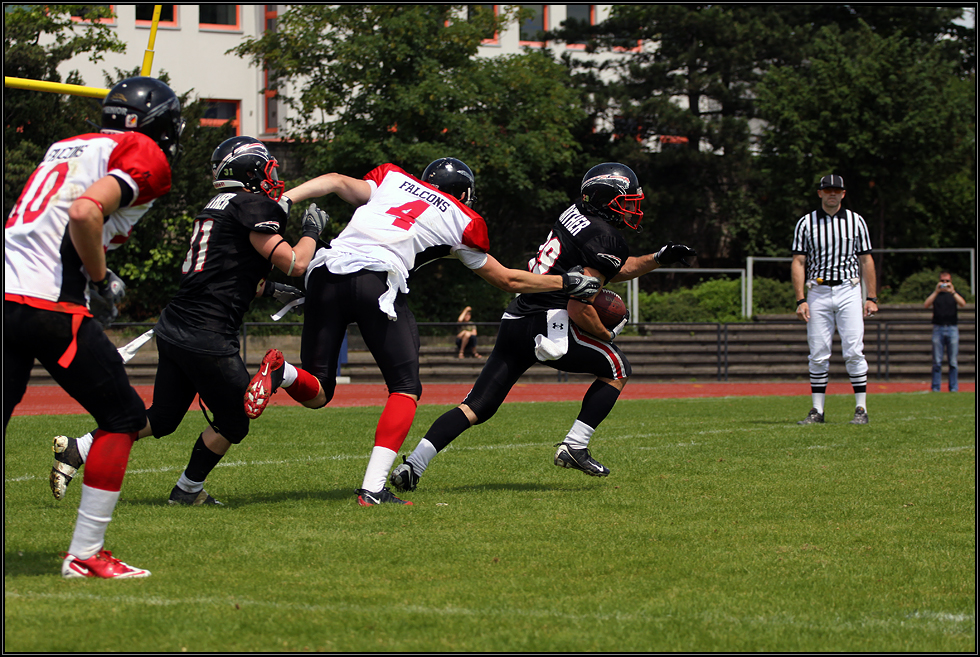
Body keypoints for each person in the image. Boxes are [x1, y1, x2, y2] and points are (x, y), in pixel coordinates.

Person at [241, 157, 602, 505]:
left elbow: (335, 181)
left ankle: (282, 372)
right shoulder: (462, 219)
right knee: (405, 389)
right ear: (462, 193)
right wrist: (564, 282)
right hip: (375, 279)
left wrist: (284, 199)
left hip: (324, 272)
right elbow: (507, 279)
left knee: (318, 391)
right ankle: (372, 489)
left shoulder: (393, 180)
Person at [47, 136, 328, 506]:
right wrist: (312, 232)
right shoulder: (252, 204)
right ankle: (187, 490)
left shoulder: (215, 207)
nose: (272, 175)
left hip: (175, 326)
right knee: (235, 420)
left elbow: (226, 272)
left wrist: (272, 290)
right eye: (267, 167)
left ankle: (79, 448)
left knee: (162, 417)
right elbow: (295, 262)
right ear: (251, 170)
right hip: (207, 334)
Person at [388, 162, 697, 494]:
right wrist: (607, 333)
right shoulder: (607, 237)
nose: (634, 209)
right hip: (550, 323)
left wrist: (658, 257)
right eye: (627, 202)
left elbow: (610, 269)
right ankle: (575, 446)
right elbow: (581, 307)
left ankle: (412, 466)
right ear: (608, 200)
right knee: (617, 367)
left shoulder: (576, 213)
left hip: (518, 315)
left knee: (477, 405)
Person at [4, 77, 182, 579]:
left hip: (6, 294)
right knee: (123, 418)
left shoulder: (66, 145)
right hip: (49, 304)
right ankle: (85, 554)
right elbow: (85, 211)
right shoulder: (142, 150)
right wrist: (100, 280)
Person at [791, 174, 877, 425]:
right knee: (818, 353)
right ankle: (817, 410)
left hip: (849, 290)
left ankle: (861, 408)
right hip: (817, 290)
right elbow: (799, 261)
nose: (832, 194)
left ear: (843, 193)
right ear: (819, 193)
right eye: (827, 190)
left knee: (853, 350)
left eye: (836, 191)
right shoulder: (806, 223)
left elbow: (866, 260)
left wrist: (871, 296)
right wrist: (800, 299)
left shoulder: (856, 221)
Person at [924, 271, 966, 392]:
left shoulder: (953, 294)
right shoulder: (936, 294)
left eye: (947, 281)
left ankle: (953, 387)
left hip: (952, 328)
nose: (945, 284)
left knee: (953, 361)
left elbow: (962, 303)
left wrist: (952, 291)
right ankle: (936, 387)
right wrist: (936, 291)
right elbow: (926, 304)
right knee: (937, 361)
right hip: (938, 328)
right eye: (942, 281)